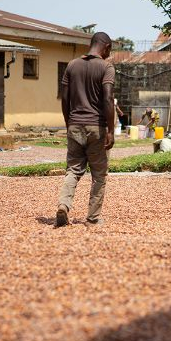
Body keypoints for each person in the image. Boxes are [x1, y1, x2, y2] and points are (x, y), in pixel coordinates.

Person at [56, 32, 116, 227]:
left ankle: (64, 205)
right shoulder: (106, 67)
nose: (109, 54)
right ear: (105, 47)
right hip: (96, 127)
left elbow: (64, 99)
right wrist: (110, 130)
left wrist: (69, 124)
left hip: (74, 124)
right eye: (110, 50)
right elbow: (107, 99)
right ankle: (92, 218)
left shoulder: (72, 65)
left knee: (73, 170)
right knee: (98, 174)